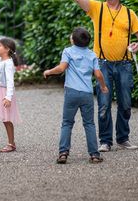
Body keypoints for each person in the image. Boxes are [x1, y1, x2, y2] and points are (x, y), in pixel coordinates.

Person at [70, 0, 138, 152]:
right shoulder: (98, 8)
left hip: (124, 65)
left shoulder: (130, 14)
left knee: (126, 103)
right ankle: (105, 141)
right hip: (102, 64)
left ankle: (123, 138)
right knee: (104, 104)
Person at [43, 27, 109, 164]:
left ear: (72, 39)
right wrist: (103, 86)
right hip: (87, 94)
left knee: (67, 123)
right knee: (89, 124)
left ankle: (63, 153)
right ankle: (94, 155)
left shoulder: (68, 51)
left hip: (71, 92)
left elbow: (61, 68)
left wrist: (48, 72)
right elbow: (98, 74)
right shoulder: (92, 55)